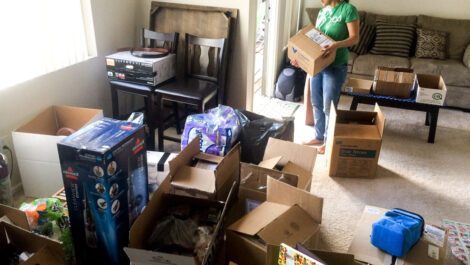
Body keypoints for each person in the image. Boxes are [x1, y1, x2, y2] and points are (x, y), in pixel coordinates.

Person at [292, 0, 359, 154]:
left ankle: (328, 142)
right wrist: (300, 58)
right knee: (316, 102)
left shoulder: (348, 10)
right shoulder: (322, 12)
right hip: (318, 65)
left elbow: (355, 38)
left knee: (329, 106)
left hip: (336, 66)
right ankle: (319, 136)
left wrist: (335, 45)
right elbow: (314, 41)